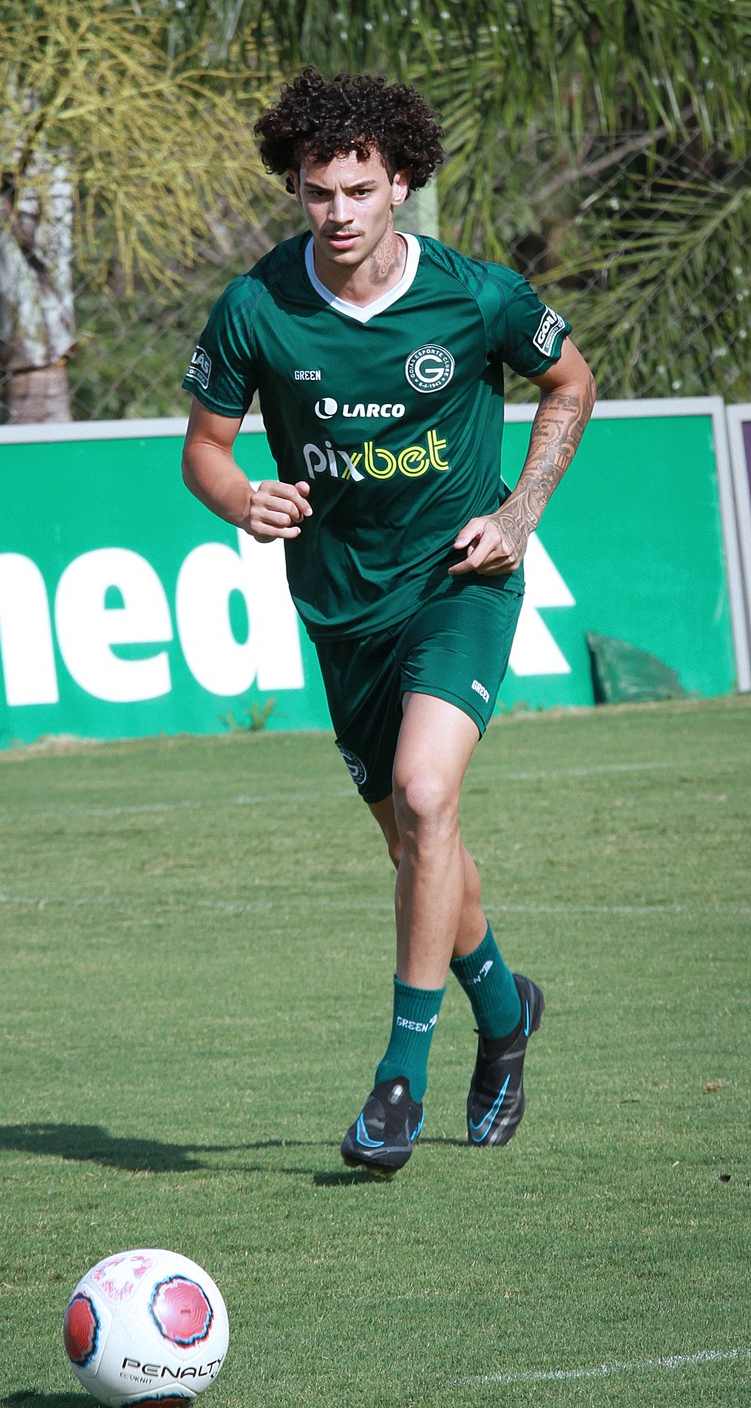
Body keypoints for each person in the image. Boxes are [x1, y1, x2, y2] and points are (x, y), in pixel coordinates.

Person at [181, 68, 596, 1174]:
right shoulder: (258, 305)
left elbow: (570, 380)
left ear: (401, 182)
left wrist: (520, 510)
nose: (340, 211)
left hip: (460, 580)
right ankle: (505, 1013)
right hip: (342, 607)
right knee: (416, 841)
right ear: (298, 191)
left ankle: (398, 1078)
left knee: (428, 793)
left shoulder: (474, 295)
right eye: (318, 191)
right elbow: (205, 452)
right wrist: (244, 498)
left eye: (360, 188)